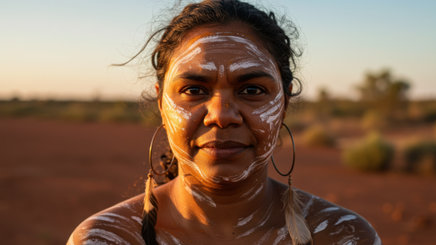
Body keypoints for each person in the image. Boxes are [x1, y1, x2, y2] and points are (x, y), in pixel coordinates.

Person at [68, 0, 381, 244]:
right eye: (193, 90)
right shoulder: (105, 240)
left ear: (284, 103)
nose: (222, 114)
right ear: (162, 104)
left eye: (252, 90)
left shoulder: (344, 237)